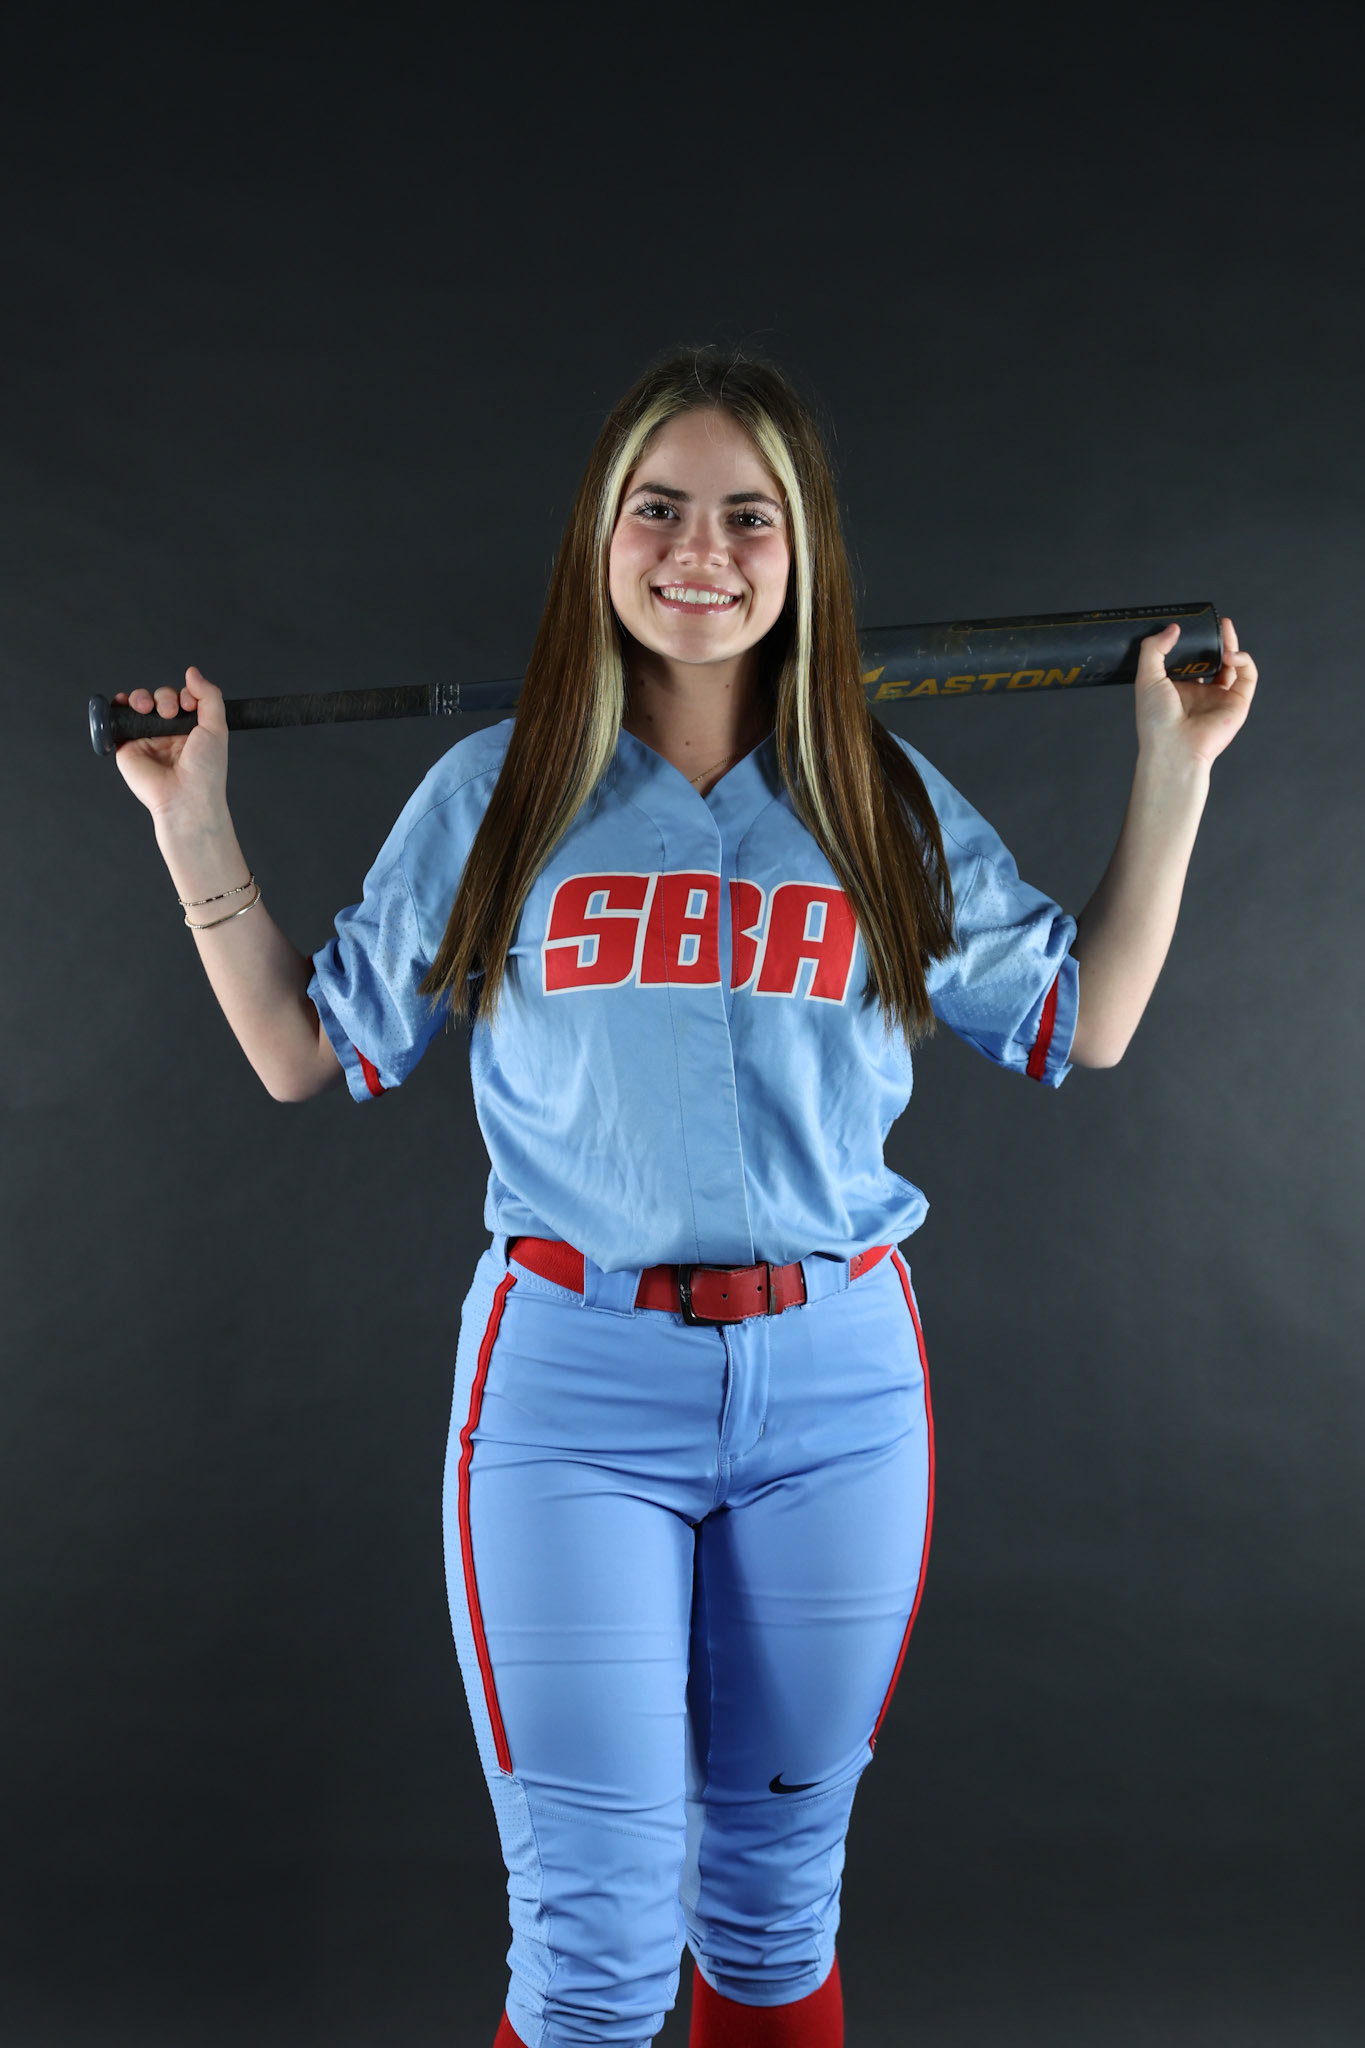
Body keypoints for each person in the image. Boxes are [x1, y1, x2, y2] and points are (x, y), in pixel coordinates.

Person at [112, 347, 1258, 2048]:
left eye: (748, 515)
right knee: (591, 1958)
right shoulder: (498, 790)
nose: (700, 550)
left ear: (804, 554)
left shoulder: (875, 795)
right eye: (658, 509)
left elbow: (1078, 1022)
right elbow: (306, 1049)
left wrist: (1177, 767)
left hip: (838, 1390)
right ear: (600, 539)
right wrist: (191, 823)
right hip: (570, 1389)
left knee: (775, 1914)